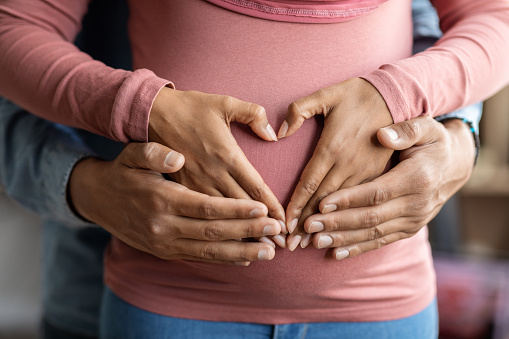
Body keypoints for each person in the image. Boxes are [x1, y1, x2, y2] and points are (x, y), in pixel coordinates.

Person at [0, 0, 502, 337]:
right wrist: (141, 107)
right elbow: (12, 28)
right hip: (170, 297)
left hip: (381, 296)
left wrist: (410, 101)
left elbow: (494, 16)